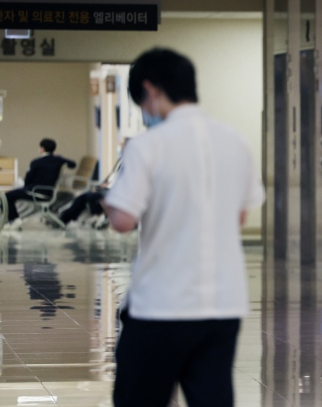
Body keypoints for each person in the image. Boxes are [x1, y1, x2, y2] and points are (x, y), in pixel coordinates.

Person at [102, 48, 264, 407]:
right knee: (211, 398)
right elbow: (240, 216)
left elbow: (123, 221)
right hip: (223, 303)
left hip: (162, 304)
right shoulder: (235, 140)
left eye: (141, 102)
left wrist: (108, 201)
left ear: (150, 90)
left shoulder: (148, 145)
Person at [5, 138, 76, 230]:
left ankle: (14, 220)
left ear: (42, 148)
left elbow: (27, 180)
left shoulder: (36, 162)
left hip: (35, 192)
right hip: (49, 193)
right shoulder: (58, 160)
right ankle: (14, 219)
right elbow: (73, 164)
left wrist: (24, 187)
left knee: (7, 196)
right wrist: (62, 160)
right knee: (15, 192)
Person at [59, 139, 127, 226]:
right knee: (82, 197)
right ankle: (64, 218)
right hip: (107, 188)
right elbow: (111, 177)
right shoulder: (120, 160)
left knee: (90, 196)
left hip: (115, 190)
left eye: (122, 146)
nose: (120, 148)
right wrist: (101, 186)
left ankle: (96, 212)